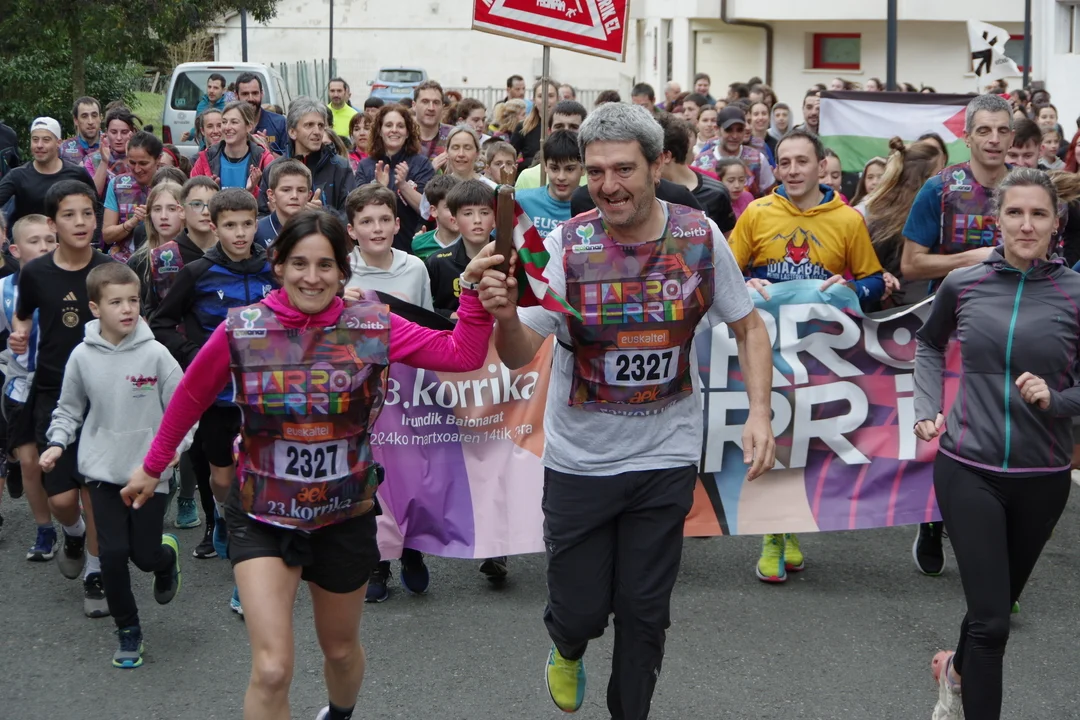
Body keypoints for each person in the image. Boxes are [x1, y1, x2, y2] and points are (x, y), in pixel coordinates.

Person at [126, 207, 500, 720]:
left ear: (343, 271)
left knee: (340, 651)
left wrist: (473, 292)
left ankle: (339, 713)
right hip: (261, 511)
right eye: (299, 263)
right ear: (278, 265)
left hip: (343, 513)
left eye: (326, 265)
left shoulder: (370, 325)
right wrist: (153, 466)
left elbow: (462, 355)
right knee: (272, 668)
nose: (312, 277)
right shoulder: (244, 328)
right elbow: (191, 394)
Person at [476, 102, 774, 719]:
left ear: (657, 165)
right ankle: (567, 645)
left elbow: (749, 327)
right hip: (580, 462)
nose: (608, 186)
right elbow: (519, 353)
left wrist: (761, 414)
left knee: (645, 614)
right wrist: (505, 317)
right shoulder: (566, 244)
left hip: (665, 455)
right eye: (596, 172)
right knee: (581, 612)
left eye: (624, 170)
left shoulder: (699, 235)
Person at [914, 168, 1079, 720]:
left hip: (1043, 476)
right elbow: (929, 345)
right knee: (992, 624)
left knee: (994, 605)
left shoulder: (1075, 293)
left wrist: (1057, 400)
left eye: (1038, 214)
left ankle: (954, 671)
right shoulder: (964, 283)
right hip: (967, 467)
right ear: (997, 220)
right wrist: (926, 408)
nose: (1026, 225)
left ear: (1055, 223)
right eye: (1015, 213)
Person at [729, 128, 884, 582]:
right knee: (775, 433)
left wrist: (852, 287)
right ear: (775, 168)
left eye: (802, 161)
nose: (793, 170)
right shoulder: (757, 213)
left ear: (821, 166)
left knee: (808, 441)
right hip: (766, 348)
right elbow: (725, 275)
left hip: (820, 352)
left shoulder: (848, 219)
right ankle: (773, 535)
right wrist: (746, 283)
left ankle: (789, 527)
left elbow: (875, 280)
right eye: (785, 162)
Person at [40, 262, 189, 668]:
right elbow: (68, 409)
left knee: (143, 555)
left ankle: (165, 558)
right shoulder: (82, 356)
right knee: (112, 554)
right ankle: (128, 630)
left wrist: (177, 448)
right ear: (94, 307)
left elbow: (184, 406)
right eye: (116, 302)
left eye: (133, 300)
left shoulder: (156, 353)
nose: (127, 309)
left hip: (149, 472)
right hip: (101, 471)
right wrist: (57, 443)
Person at [901, 94, 1014, 575]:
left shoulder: (1029, 187)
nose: (993, 139)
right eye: (983, 130)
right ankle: (932, 518)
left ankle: (997, 545)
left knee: (1003, 433)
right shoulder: (941, 189)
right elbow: (910, 264)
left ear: (1013, 137)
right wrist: (970, 260)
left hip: (1014, 326)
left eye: (1002, 130)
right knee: (949, 429)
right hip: (951, 328)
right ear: (966, 136)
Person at [150, 188, 275, 612]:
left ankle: (248, 573)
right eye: (230, 225)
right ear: (213, 226)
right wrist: (197, 357)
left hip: (265, 396)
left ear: (256, 223)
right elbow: (161, 322)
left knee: (254, 480)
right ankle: (221, 515)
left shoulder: (273, 268)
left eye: (247, 224)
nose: (240, 233)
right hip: (219, 398)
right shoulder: (198, 272)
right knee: (222, 480)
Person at [10, 180, 115, 616]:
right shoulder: (35, 273)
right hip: (53, 392)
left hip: (102, 393)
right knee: (62, 499)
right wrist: (20, 334)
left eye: (88, 213)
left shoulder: (109, 270)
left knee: (94, 491)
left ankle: (95, 571)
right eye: (69, 215)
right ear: (53, 225)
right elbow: (22, 315)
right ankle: (72, 532)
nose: (81, 222)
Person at [0, 215, 57, 560]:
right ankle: (44, 529)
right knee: (29, 463)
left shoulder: (69, 282)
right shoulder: (5, 289)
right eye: (34, 241)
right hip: (21, 385)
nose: (44, 247)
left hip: (63, 385)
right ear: (15, 250)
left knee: (64, 464)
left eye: (50, 240)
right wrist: (11, 345)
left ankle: (74, 524)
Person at [860, 138, 945, 308]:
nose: (946, 179)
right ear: (921, 179)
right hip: (901, 313)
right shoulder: (882, 222)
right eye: (940, 173)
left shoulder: (880, 216)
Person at [353, 104, 435, 252]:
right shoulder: (365, 166)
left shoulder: (422, 164)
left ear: (408, 132)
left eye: (400, 126)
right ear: (379, 131)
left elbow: (428, 210)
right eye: (389, 125)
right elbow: (357, 209)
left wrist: (403, 185)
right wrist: (380, 189)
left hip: (411, 248)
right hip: (374, 248)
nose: (394, 130)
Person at [259, 97, 355, 218]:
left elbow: (352, 216)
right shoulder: (273, 169)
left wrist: (323, 215)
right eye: (309, 125)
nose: (317, 131)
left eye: (320, 125)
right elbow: (260, 216)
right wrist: (278, 219)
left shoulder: (341, 167)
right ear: (292, 132)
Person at [344, 183, 433, 310]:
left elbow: (427, 321)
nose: (377, 228)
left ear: (396, 224)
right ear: (351, 230)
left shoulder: (415, 268)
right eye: (366, 221)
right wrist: (336, 305)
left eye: (385, 219)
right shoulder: (339, 273)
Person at [0, 118, 98, 225]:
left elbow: (97, 208)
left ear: (58, 143)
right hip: (31, 234)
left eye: (46, 140)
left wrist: (93, 234)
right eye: (35, 140)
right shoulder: (18, 175)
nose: (39, 145)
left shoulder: (77, 173)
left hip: (67, 235)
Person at [426, 179, 496, 321]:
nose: (477, 220)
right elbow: (423, 308)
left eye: (484, 212)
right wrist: (449, 315)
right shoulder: (438, 263)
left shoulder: (511, 258)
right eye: (468, 213)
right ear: (454, 221)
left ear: (495, 219)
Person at [656, 115, 736, 234]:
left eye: (650, 155)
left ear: (666, 156)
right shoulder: (647, 192)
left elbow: (724, 239)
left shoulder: (716, 193)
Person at [101, 131, 162, 263]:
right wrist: (131, 223)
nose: (137, 169)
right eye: (132, 163)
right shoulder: (117, 184)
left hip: (161, 260)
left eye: (143, 163)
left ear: (158, 159)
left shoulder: (170, 184)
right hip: (123, 261)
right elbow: (107, 236)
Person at [191, 101, 274, 196]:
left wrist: (252, 190)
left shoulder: (265, 159)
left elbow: (272, 200)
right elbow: (192, 197)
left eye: (234, 122)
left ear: (249, 127)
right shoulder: (206, 158)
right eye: (224, 122)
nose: (227, 127)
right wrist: (209, 194)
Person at [692, 107, 775, 198]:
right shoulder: (701, 163)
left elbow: (771, 194)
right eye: (729, 130)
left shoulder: (757, 159)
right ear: (717, 129)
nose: (735, 136)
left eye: (739, 130)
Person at [516, 131, 584, 237]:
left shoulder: (594, 207)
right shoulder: (521, 202)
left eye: (569, 169)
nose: (561, 177)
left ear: (583, 169)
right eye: (554, 168)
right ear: (545, 166)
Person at [513, 101, 588, 191]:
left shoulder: (594, 177)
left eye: (573, 127)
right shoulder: (527, 178)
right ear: (549, 132)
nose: (565, 132)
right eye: (559, 126)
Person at [256, 160, 313, 249]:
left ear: (309, 195)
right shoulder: (257, 231)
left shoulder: (317, 231)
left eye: (301, 190)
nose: (294, 196)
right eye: (286, 190)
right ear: (271, 195)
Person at [88, 107, 141, 196]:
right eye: (114, 132)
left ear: (133, 132)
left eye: (124, 132)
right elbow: (94, 194)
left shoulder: (143, 158)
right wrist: (104, 161)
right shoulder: (92, 159)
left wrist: (131, 156)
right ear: (106, 133)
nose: (119, 138)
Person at [511, 78, 560, 170]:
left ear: (558, 98)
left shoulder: (566, 126)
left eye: (550, 96)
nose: (546, 100)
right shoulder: (523, 127)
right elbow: (510, 158)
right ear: (534, 100)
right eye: (540, 96)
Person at [235, 72, 288, 156]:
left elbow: (289, 162)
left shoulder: (279, 123)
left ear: (261, 94)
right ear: (236, 95)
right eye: (245, 94)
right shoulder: (229, 125)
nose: (250, 98)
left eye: (255, 93)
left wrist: (267, 151)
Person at [411, 175, 461, 260]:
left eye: (460, 206)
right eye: (449, 207)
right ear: (434, 211)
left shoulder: (473, 241)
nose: (457, 213)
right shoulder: (420, 245)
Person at [412, 80, 453, 162]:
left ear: (442, 107)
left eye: (436, 102)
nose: (431, 108)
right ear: (414, 105)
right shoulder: (402, 136)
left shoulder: (454, 136)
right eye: (425, 102)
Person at [181, 73, 229, 143]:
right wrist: (189, 135)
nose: (211, 91)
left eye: (215, 88)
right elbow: (198, 126)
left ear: (224, 90)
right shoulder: (201, 105)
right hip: (204, 147)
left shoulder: (228, 107)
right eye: (209, 87)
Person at [59, 97, 103, 166]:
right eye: (84, 116)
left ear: (100, 118)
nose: (90, 122)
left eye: (94, 116)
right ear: (76, 120)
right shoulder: (64, 149)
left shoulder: (113, 144)